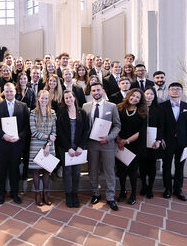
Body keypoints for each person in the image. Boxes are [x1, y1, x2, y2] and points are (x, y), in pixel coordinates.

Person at [83, 82, 121, 211]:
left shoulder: (112, 106)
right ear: (91, 92)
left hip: (107, 143)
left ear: (103, 91)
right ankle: (96, 193)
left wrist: (109, 137)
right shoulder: (86, 106)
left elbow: (117, 126)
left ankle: (110, 197)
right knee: (93, 170)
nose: (96, 92)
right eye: (93, 90)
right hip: (92, 144)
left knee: (109, 171)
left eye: (98, 90)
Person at [0, 83, 29, 204]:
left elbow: (27, 126)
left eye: (11, 91)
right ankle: (1, 194)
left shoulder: (23, 106)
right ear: (3, 92)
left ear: (15, 91)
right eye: (6, 91)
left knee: (14, 170)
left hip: (17, 144)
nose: (9, 93)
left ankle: (14, 193)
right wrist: (4, 136)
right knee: (1, 170)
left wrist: (19, 136)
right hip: (2, 143)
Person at [57, 90, 89, 207]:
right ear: (64, 100)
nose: (69, 100)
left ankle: (75, 194)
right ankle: (68, 194)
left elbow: (86, 130)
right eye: (66, 98)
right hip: (65, 148)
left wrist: (81, 146)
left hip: (79, 148)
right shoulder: (61, 112)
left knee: (76, 172)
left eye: (70, 97)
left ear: (74, 98)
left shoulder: (82, 112)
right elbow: (60, 132)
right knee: (67, 171)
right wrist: (69, 148)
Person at [116, 88, 147, 205]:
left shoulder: (142, 112)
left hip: (134, 145)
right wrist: (119, 139)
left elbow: (141, 131)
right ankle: (122, 191)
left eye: (138, 97)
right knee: (121, 170)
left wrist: (126, 141)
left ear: (140, 100)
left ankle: (133, 193)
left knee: (133, 171)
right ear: (129, 95)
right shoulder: (119, 108)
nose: (134, 98)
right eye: (133, 95)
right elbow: (115, 125)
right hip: (119, 144)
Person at [28, 90, 56, 206]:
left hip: (49, 145)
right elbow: (34, 132)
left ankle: (45, 193)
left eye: (46, 98)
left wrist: (48, 144)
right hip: (36, 144)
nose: (44, 100)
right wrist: (48, 136)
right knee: (36, 170)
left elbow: (54, 131)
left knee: (46, 170)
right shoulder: (33, 113)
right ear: (38, 99)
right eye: (42, 98)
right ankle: (37, 193)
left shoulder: (53, 113)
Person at [160, 82, 187, 201]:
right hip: (167, 141)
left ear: (182, 91)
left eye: (177, 89)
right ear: (169, 92)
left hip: (182, 142)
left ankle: (178, 189)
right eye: (172, 89)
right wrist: (160, 138)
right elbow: (159, 125)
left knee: (179, 166)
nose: (175, 91)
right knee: (166, 165)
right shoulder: (162, 106)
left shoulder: (186, 106)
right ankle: (168, 188)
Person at [139, 87, 164, 199]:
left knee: (152, 165)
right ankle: (144, 185)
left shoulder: (159, 109)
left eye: (151, 94)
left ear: (154, 96)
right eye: (147, 94)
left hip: (154, 141)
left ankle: (150, 187)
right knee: (142, 165)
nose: (149, 96)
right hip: (141, 141)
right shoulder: (139, 108)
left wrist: (159, 140)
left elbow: (161, 126)